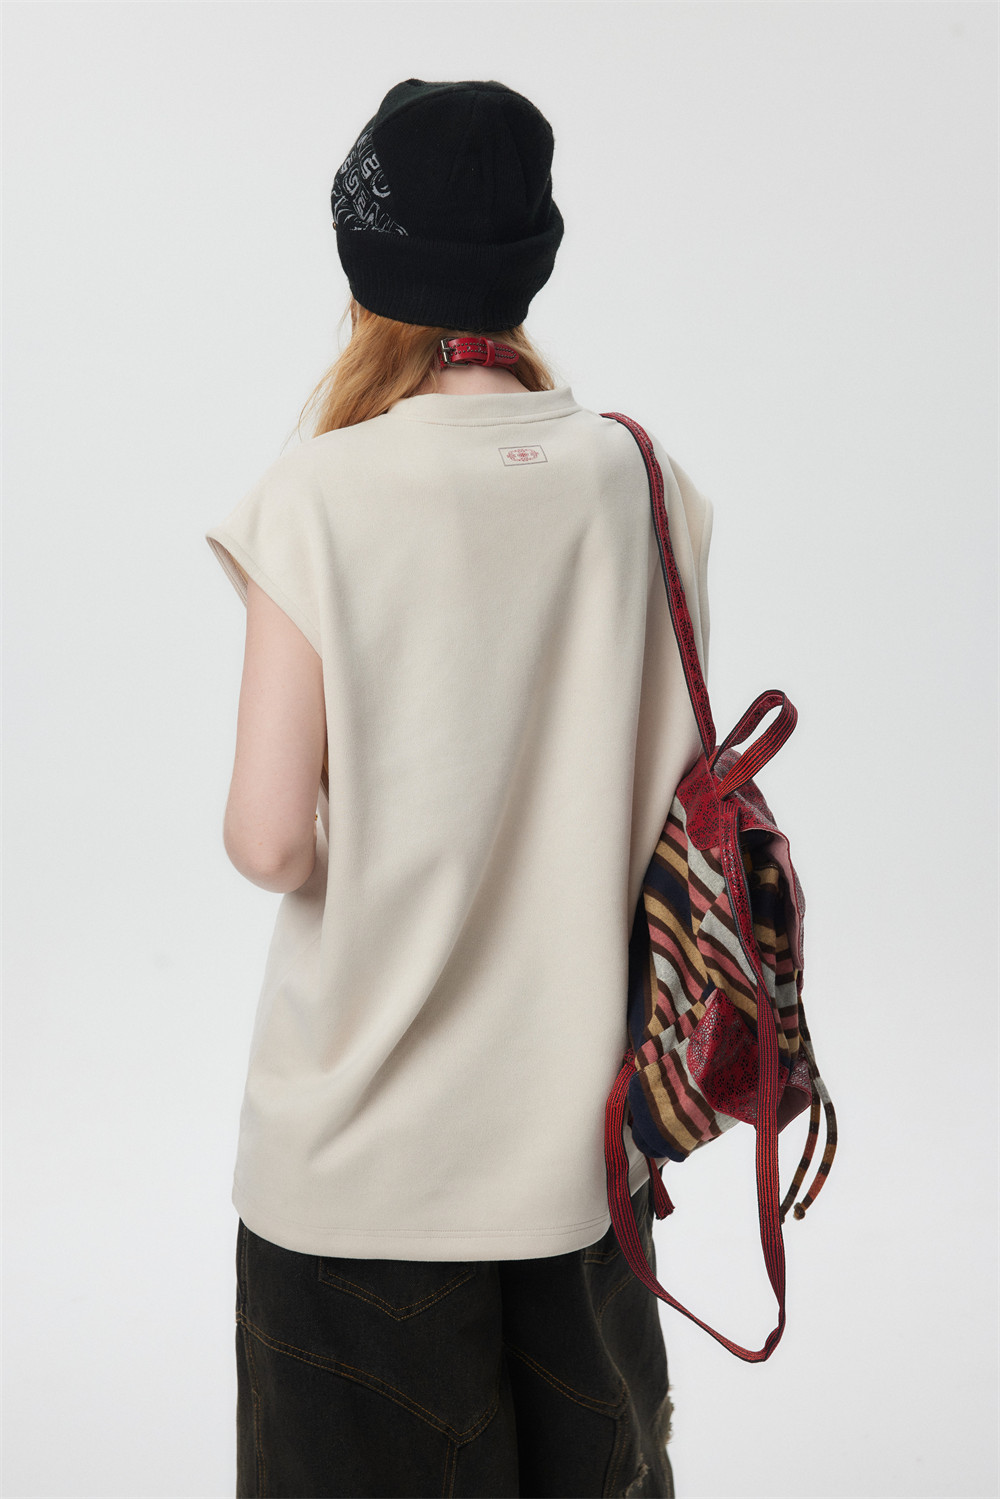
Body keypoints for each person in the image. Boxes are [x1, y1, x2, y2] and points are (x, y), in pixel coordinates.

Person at [204, 77, 713, 1499]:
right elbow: (654, 787)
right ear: (530, 258)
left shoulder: (319, 497)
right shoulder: (644, 483)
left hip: (361, 1170)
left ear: (366, 265)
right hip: (585, 1168)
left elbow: (266, 840)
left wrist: (394, 832)